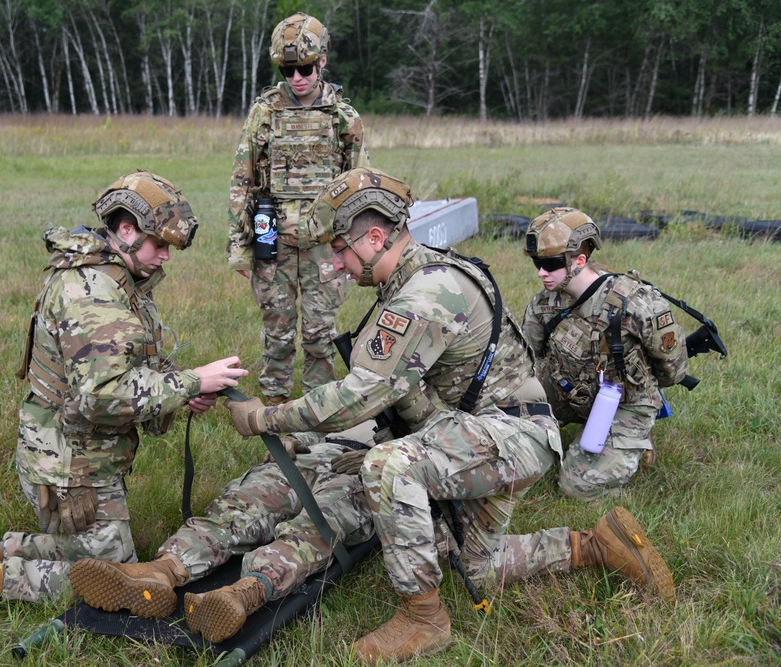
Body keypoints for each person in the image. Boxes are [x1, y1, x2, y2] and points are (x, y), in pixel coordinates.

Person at [226, 168, 676, 664]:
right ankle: (596, 546)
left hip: (509, 434)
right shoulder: (421, 276)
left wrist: (266, 419)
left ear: (375, 237)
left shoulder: (425, 294)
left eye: (339, 250)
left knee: (389, 467)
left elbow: (359, 397)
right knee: (480, 567)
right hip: (494, 428)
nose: (335, 266)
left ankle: (423, 619)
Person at [0, 171, 248, 616]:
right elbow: (102, 396)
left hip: (75, 452)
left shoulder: (114, 276)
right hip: (71, 469)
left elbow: (127, 369)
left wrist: (182, 393)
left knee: (105, 560)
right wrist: (190, 382)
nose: (165, 256)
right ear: (126, 230)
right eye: (159, 243)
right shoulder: (92, 293)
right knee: (119, 576)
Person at [68, 431, 374, 643]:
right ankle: (160, 571)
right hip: (317, 453)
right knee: (240, 507)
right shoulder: (363, 378)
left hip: (368, 469)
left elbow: (422, 451)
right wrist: (295, 438)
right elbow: (323, 418)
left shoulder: (420, 386)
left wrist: (383, 458)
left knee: (317, 526)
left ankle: (242, 595)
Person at [228, 12, 369, 406]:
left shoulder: (343, 117)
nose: (297, 78)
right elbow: (243, 179)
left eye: (305, 68)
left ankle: (317, 412)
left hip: (326, 246)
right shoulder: (264, 113)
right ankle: (273, 411)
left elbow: (361, 188)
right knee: (278, 332)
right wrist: (240, 248)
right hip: (272, 238)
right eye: (288, 70)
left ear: (322, 62)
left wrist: (359, 253)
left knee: (320, 334)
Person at [522, 207, 688, 500]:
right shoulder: (543, 304)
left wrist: (636, 391)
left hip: (624, 401)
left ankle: (632, 440)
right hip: (571, 389)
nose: (541, 272)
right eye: (538, 263)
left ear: (580, 260)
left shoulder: (635, 303)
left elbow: (673, 369)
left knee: (577, 488)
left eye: (550, 264)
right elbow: (527, 362)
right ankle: (592, 432)